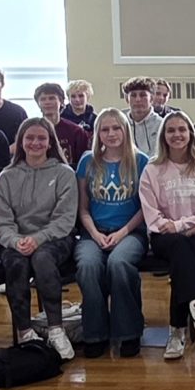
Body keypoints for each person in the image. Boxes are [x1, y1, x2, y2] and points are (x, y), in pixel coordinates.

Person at [0, 118, 81, 361]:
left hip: (55, 238)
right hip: (17, 241)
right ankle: (24, 332)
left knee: (42, 259)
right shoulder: (6, 177)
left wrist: (38, 238)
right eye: (29, 138)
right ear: (20, 142)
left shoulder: (64, 173)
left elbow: (65, 219)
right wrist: (15, 241)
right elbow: (2, 221)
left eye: (41, 138)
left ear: (50, 142)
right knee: (16, 264)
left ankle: (55, 329)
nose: (35, 143)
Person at [139, 111, 195, 361]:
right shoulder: (152, 169)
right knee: (180, 249)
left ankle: (177, 331)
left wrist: (181, 225)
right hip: (164, 235)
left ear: (190, 133)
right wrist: (177, 228)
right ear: (163, 136)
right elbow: (151, 213)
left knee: (182, 257)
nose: (177, 135)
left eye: (182, 129)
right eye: (171, 130)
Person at [69, 108, 147, 359]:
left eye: (116, 128)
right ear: (97, 133)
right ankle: (95, 333)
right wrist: (94, 233)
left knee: (119, 263)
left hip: (131, 232)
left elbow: (145, 208)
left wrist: (122, 233)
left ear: (126, 130)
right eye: (105, 129)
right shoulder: (87, 162)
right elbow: (83, 209)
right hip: (93, 232)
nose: (111, 134)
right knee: (88, 266)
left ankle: (128, 332)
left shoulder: (141, 161)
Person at [33, 82, 94, 165]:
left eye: (51, 98)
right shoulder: (32, 131)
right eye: (43, 99)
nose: (47, 102)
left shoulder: (76, 132)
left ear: (61, 101)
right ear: (38, 103)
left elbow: (84, 163)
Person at [122, 77, 165, 158]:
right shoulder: (120, 123)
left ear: (151, 98)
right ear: (127, 99)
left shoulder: (162, 125)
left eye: (143, 95)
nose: (138, 99)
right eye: (133, 95)